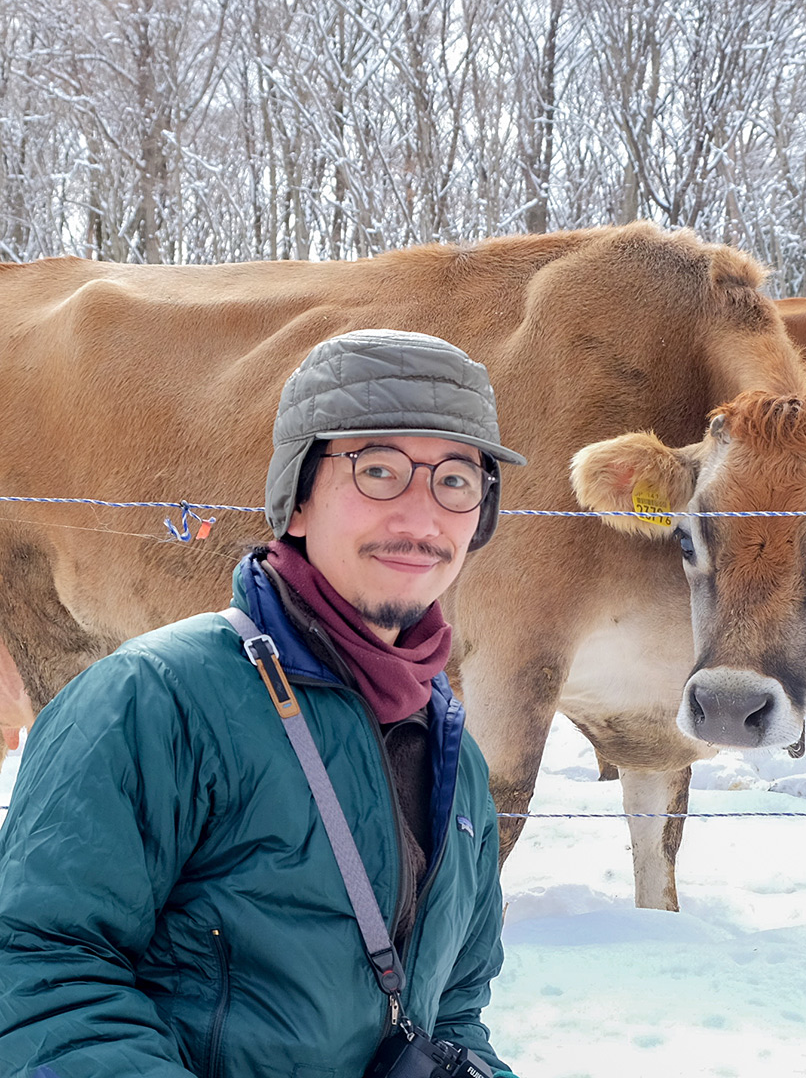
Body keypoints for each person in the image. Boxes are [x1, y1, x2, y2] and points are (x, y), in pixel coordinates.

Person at [0, 329, 526, 1078]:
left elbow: (455, 1010)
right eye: (378, 470)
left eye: (455, 480)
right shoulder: (155, 701)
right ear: (298, 501)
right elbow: (38, 971)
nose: (421, 516)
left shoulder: (455, 760)